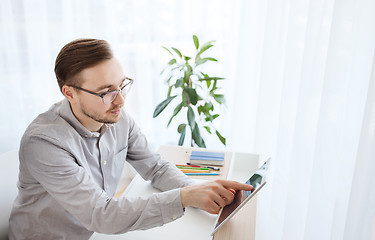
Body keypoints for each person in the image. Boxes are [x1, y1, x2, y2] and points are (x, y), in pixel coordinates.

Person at [9, 38, 253, 239]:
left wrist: (197, 191)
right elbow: (101, 214)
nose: (121, 101)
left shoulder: (116, 116)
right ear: (69, 93)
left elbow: (155, 167)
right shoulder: (44, 143)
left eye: (122, 85)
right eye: (106, 92)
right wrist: (184, 197)